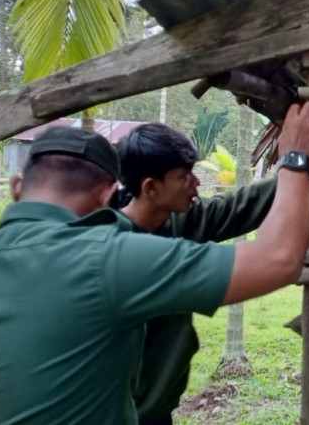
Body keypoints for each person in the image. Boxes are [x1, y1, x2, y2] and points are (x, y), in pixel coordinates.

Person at [0, 102, 309, 424]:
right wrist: (294, 160)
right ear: (108, 195)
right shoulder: (110, 259)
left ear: (17, 186)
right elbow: (277, 259)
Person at [115, 122, 277, 425]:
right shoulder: (104, 245)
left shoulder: (179, 220)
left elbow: (238, 207)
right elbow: (276, 262)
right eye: (183, 177)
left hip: (156, 413)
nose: (196, 184)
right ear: (151, 187)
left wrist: (300, 164)